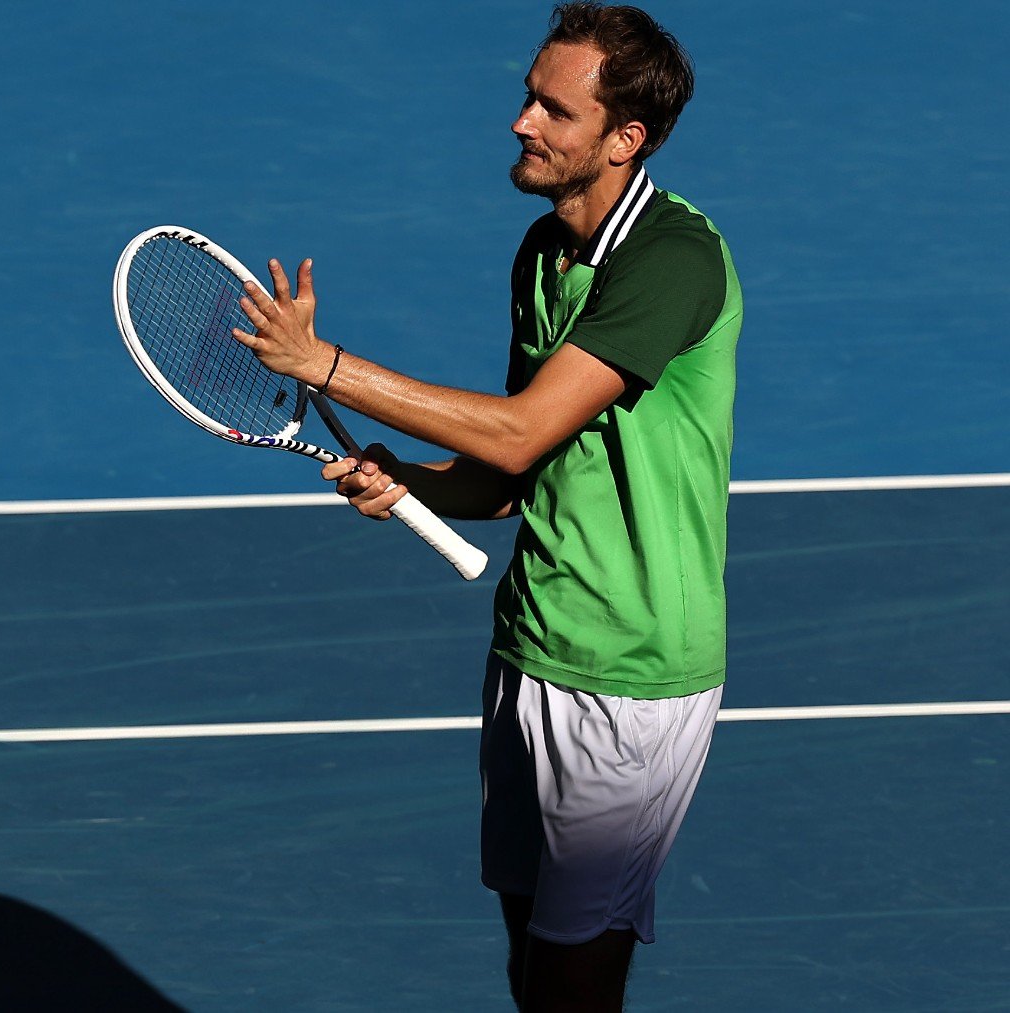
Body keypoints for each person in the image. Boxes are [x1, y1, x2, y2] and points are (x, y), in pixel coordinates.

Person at [231, 4, 740, 1010]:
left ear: (623, 138)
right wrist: (409, 482)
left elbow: (514, 428)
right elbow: (508, 476)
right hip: (532, 645)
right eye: (527, 96)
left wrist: (320, 364)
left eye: (554, 108)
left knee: (573, 973)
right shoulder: (544, 252)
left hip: (629, 673)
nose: (522, 121)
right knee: (529, 943)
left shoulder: (672, 261)